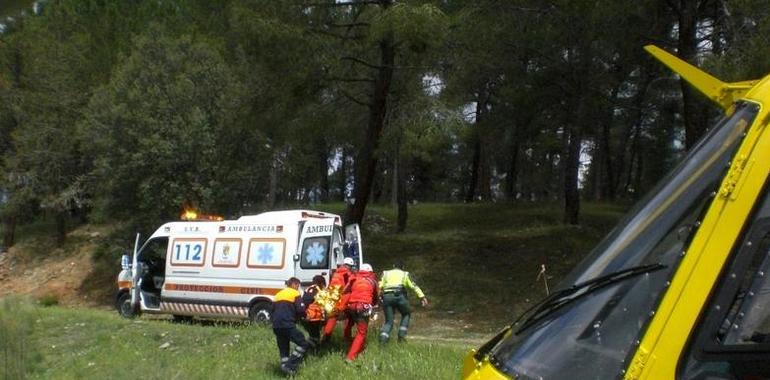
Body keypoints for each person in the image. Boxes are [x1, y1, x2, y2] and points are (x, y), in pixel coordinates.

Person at [378, 261, 428, 344]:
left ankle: (382, 341)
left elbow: (379, 286)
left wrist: (378, 299)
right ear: (403, 267)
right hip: (400, 297)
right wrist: (422, 297)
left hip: (387, 297)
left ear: (393, 266)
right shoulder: (405, 274)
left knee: (389, 321)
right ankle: (401, 337)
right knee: (406, 314)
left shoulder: (385, 273)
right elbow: (413, 286)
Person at [272, 277, 310, 376]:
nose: (298, 288)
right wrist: (306, 316)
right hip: (287, 324)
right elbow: (301, 309)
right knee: (303, 343)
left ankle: (284, 368)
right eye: (298, 286)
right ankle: (291, 365)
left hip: (276, 326)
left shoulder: (278, 295)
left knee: (284, 346)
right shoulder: (294, 293)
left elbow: (272, 310)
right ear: (294, 284)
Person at [343, 263, 379, 362]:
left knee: (353, 325)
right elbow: (376, 297)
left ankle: (356, 347)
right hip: (363, 307)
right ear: (370, 272)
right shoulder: (373, 281)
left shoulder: (354, 278)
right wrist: (373, 304)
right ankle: (350, 357)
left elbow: (345, 290)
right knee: (361, 332)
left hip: (351, 306)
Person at [321, 257, 355, 343]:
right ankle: (346, 337)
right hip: (341, 298)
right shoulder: (347, 274)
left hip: (332, 297)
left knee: (331, 318)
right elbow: (349, 287)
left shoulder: (336, 273)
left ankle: (326, 337)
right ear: (349, 266)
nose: (351, 268)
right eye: (351, 266)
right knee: (348, 316)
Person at [302, 275, 327, 346]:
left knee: (311, 333)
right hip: (315, 316)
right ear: (322, 283)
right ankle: (313, 348)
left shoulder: (308, 288)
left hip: (307, 315)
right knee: (316, 335)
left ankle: (311, 346)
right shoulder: (320, 290)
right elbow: (324, 304)